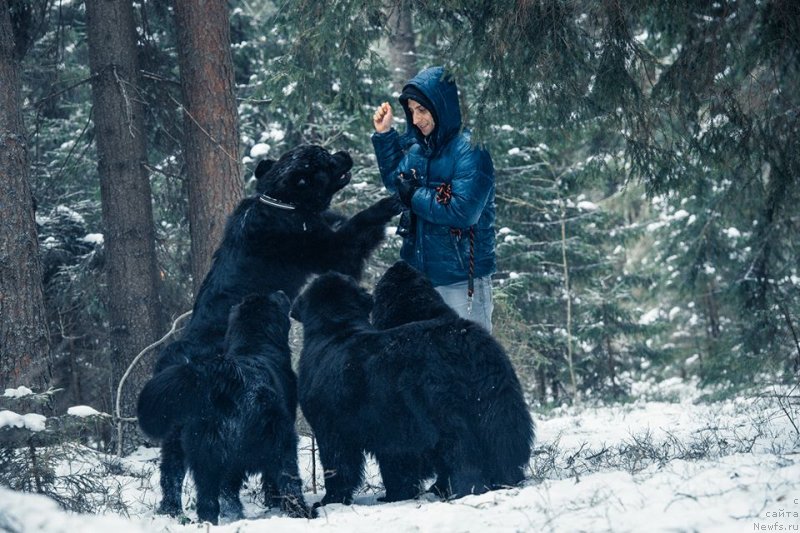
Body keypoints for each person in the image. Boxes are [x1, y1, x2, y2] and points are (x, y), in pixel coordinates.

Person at [371, 66, 497, 332]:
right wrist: (384, 136)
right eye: (412, 110)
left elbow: (462, 212)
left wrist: (414, 193)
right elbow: (397, 183)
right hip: (420, 281)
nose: (416, 119)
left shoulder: (471, 151)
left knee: (468, 364)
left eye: (423, 110)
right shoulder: (419, 148)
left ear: (441, 106)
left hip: (462, 281)